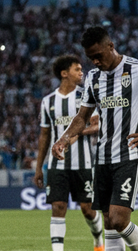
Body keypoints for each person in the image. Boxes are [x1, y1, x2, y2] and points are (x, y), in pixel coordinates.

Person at [52, 26, 138, 251]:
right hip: (102, 157)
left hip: (130, 154)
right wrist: (64, 139)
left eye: (98, 56)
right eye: (90, 58)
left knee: (119, 219)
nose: (95, 62)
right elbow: (82, 117)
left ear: (110, 47)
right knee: (109, 223)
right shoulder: (93, 78)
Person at [35, 55, 104, 251]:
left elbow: (97, 125)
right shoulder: (48, 101)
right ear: (64, 74)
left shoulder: (85, 96)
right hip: (57, 165)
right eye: (77, 69)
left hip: (83, 164)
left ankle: (98, 241)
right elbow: (44, 136)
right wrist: (39, 168)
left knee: (88, 210)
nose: (81, 72)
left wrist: (75, 132)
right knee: (58, 207)